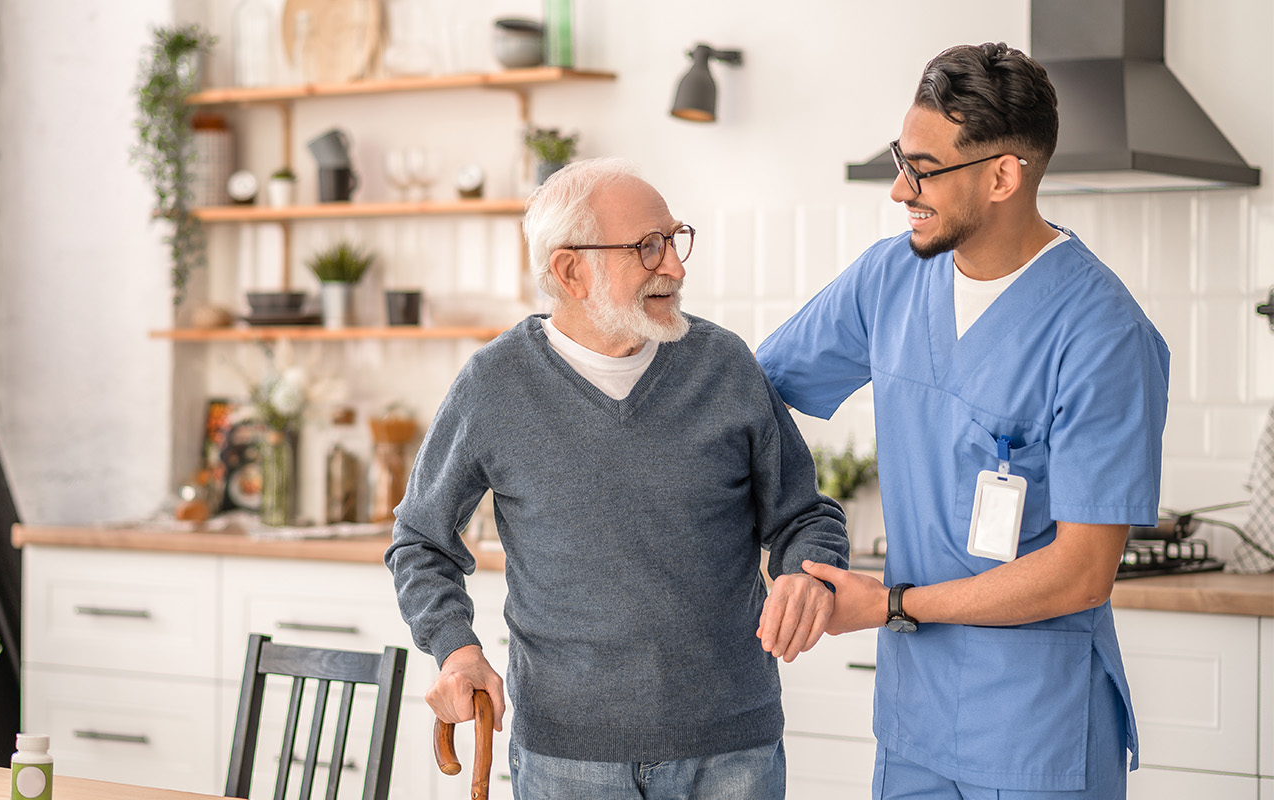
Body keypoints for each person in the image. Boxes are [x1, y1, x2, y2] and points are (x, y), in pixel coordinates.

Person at [757, 43, 1168, 798]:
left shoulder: (1103, 333)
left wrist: (889, 604)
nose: (898, 189)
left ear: (1003, 175)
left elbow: (1082, 572)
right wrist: (791, 538)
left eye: (923, 168)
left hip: (1037, 734)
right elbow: (751, 393)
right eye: (899, 158)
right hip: (914, 726)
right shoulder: (890, 277)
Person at [386, 157, 850, 800]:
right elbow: (421, 540)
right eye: (648, 248)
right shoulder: (494, 385)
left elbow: (803, 514)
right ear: (571, 269)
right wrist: (456, 649)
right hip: (566, 759)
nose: (676, 267)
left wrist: (807, 571)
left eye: (675, 240)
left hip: (732, 753)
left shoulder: (724, 365)